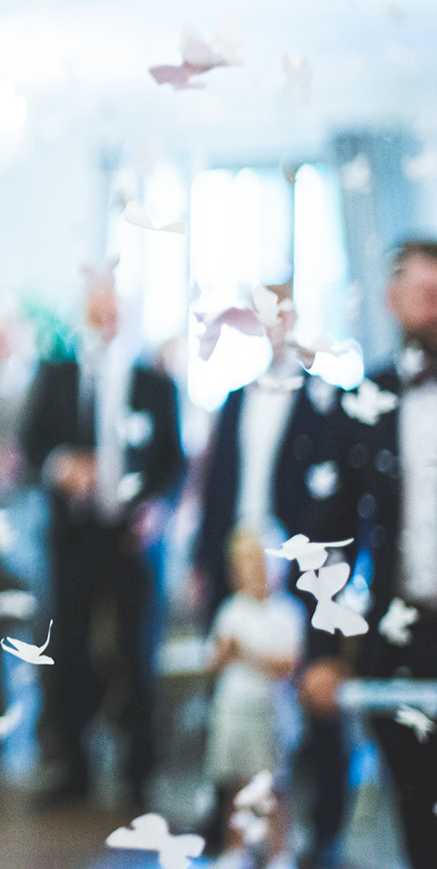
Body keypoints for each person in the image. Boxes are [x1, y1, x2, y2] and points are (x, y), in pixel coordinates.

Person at [193, 282, 349, 865]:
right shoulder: (236, 398)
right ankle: (230, 826)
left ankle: (319, 825)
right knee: (231, 690)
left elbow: (335, 498)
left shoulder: (324, 401)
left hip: (300, 566)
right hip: (238, 556)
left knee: (307, 686)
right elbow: (217, 485)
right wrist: (203, 562)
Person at [21, 272, 185, 807]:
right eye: (98, 312)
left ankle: (140, 773)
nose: (107, 320)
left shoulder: (154, 382)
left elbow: (174, 463)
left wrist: (158, 508)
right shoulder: (57, 375)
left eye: (114, 311)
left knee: (136, 653)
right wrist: (60, 466)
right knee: (69, 649)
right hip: (75, 534)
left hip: (132, 537)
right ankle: (75, 767)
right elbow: (32, 444)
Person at [300, 239, 437, 869]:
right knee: (418, 815)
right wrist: (323, 652)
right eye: (419, 288)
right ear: (391, 298)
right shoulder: (366, 400)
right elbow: (332, 535)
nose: (430, 301)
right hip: (403, 636)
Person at [204, 529, 305, 869]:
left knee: (273, 787)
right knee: (236, 783)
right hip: (233, 711)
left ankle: (279, 851)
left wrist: (244, 651)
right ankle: (236, 848)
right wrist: (224, 653)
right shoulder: (230, 610)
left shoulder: (288, 611)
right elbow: (214, 660)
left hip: (269, 714)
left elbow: (287, 665)